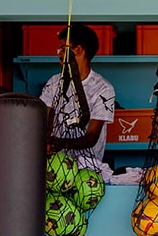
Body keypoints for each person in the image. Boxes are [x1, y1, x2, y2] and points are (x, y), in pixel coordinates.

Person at [39, 24, 115, 178]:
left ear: (78, 50)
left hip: (87, 170)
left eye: (63, 48)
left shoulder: (103, 88)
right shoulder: (54, 83)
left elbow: (92, 137)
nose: (59, 53)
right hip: (55, 168)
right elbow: (43, 121)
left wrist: (62, 143)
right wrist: (47, 141)